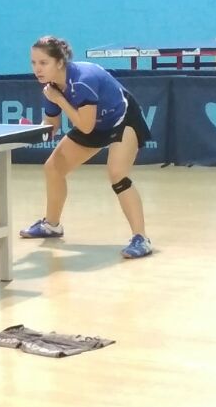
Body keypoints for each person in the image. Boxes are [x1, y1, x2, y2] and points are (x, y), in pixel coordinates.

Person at [18, 35, 154, 259]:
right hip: (93, 123)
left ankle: (141, 238)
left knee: (117, 175)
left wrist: (60, 100)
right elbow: (52, 125)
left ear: (59, 62)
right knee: (53, 168)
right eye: (33, 63)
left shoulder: (82, 80)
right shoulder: (51, 88)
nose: (37, 69)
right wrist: (31, 132)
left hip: (122, 120)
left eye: (43, 63)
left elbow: (86, 127)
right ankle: (51, 225)